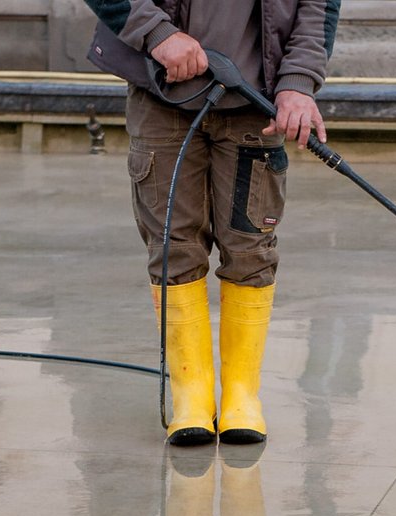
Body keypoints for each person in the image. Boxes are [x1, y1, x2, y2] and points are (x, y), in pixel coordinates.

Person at [83, 0, 340, 445]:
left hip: (255, 100)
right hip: (161, 91)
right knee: (173, 247)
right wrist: (157, 33)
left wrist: (299, 81)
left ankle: (242, 395)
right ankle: (192, 396)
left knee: (250, 248)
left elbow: (318, 5)